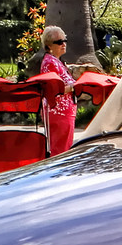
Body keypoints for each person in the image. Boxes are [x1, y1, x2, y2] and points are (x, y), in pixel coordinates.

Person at [37, 26, 79, 155]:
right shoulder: (50, 63)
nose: (63, 44)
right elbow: (54, 90)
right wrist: (75, 86)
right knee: (61, 151)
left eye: (64, 40)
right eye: (59, 42)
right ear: (49, 45)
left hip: (64, 113)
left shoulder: (56, 62)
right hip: (58, 113)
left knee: (65, 148)